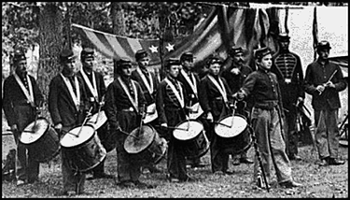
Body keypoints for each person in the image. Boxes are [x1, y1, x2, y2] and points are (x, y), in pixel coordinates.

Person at [234, 47, 302, 188]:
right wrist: (240, 95)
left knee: (279, 146)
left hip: (274, 112)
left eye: (270, 59)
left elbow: (278, 96)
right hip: (261, 113)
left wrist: (280, 113)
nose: (269, 62)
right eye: (266, 59)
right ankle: (262, 180)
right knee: (262, 148)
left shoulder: (273, 76)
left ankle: (285, 178)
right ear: (258, 62)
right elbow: (246, 90)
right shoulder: (254, 75)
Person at [104, 58, 154, 189]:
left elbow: (143, 102)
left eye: (129, 67)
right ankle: (124, 178)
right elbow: (110, 107)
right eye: (125, 68)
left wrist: (143, 112)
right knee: (123, 147)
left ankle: (135, 177)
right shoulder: (114, 86)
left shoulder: (136, 84)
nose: (128, 70)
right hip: (123, 117)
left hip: (135, 119)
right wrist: (115, 124)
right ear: (120, 70)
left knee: (137, 146)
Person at [48, 49, 91, 196]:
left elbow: (85, 99)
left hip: (80, 122)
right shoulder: (57, 81)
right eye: (69, 62)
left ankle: (81, 186)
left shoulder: (79, 79)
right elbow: (52, 104)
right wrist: (57, 121)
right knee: (68, 157)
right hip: (66, 123)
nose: (72, 65)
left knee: (82, 154)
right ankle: (69, 187)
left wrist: (87, 110)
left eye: (74, 62)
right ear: (62, 64)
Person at [3, 48, 44, 186]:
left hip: (32, 114)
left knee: (35, 144)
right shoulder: (9, 82)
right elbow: (6, 104)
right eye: (20, 64)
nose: (24, 66)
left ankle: (33, 175)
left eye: (25, 63)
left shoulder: (31, 79)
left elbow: (39, 95)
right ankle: (21, 175)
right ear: (15, 65)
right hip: (18, 114)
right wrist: (12, 122)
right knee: (21, 145)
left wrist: (39, 104)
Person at [304, 41, 347, 166]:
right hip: (319, 103)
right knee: (320, 129)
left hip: (333, 102)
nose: (325, 53)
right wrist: (315, 89)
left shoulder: (335, 67)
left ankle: (334, 156)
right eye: (323, 50)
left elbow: (343, 83)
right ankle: (324, 156)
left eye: (327, 50)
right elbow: (306, 85)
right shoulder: (311, 67)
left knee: (334, 130)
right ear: (318, 51)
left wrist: (334, 85)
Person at [77, 47, 114, 179]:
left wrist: (104, 100)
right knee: (87, 141)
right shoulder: (78, 77)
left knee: (101, 139)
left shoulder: (97, 76)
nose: (91, 62)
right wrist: (86, 106)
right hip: (86, 113)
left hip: (99, 112)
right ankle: (88, 168)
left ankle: (100, 169)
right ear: (82, 61)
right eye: (88, 60)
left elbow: (103, 91)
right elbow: (79, 95)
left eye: (92, 59)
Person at [156, 58, 194, 182]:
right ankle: (173, 173)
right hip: (170, 117)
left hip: (180, 117)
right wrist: (163, 121)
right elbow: (160, 105)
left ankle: (183, 173)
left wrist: (187, 112)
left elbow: (182, 103)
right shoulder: (163, 84)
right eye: (174, 69)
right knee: (172, 146)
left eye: (178, 69)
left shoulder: (180, 84)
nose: (177, 71)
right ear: (167, 70)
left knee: (181, 145)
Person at [198, 55, 235, 175]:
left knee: (226, 138)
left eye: (218, 67)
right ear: (208, 68)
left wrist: (231, 103)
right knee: (215, 140)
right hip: (214, 112)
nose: (216, 69)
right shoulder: (204, 81)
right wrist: (208, 112)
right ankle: (217, 167)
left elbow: (228, 94)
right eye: (213, 67)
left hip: (224, 111)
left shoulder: (222, 80)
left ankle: (225, 166)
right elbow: (203, 99)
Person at [271, 33, 305, 160]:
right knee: (281, 125)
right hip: (281, 95)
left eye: (286, 42)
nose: (284, 44)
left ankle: (293, 151)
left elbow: (301, 79)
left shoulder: (295, 58)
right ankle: (282, 151)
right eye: (282, 42)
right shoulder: (273, 59)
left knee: (293, 125)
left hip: (293, 95)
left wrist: (301, 96)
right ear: (278, 43)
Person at [221, 46, 254, 166]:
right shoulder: (226, 72)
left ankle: (244, 153)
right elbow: (224, 87)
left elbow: (251, 85)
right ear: (231, 57)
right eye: (236, 56)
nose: (239, 58)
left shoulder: (247, 70)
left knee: (246, 128)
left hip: (245, 103)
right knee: (235, 129)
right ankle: (235, 155)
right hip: (234, 104)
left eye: (240, 56)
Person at [130, 49, 161, 173]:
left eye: (147, 60)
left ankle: (150, 162)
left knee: (151, 135)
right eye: (143, 60)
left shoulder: (152, 74)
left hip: (152, 109)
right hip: (142, 108)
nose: (146, 63)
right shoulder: (134, 75)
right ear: (138, 62)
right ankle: (142, 163)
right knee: (143, 135)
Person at [177, 52, 206, 169]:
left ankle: (197, 156)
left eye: (191, 61)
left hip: (196, 107)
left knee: (197, 131)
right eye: (188, 61)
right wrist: (184, 106)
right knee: (187, 132)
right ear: (182, 62)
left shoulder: (195, 76)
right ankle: (188, 157)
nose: (190, 64)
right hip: (185, 106)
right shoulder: (179, 76)